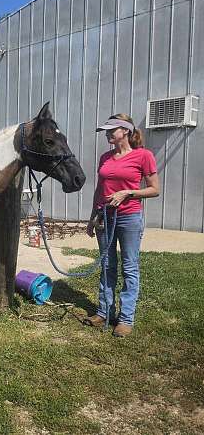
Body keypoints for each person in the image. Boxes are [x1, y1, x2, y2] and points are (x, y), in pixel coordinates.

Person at [83, 113, 159, 337]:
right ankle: (104, 312)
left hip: (129, 218)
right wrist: (92, 215)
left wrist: (128, 193)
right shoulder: (105, 157)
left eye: (111, 130)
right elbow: (100, 188)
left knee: (129, 267)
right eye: (106, 130)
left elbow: (154, 189)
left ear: (125, 131)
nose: (107, 134)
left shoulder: (143, 156)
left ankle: (125, 319)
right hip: (104, 217)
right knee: (107, 265)